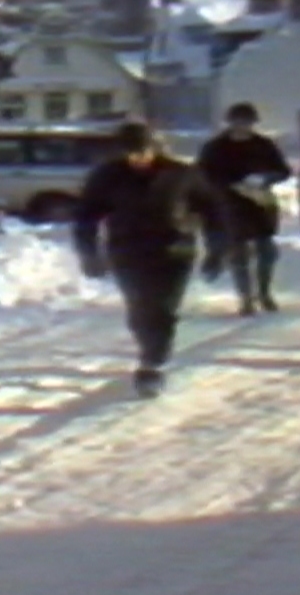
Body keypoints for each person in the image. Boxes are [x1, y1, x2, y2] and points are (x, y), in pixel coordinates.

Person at [74, 121, 229, 398]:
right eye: (131, 153)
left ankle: (152, 365)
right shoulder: (107, 176)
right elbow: (86, 216)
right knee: (139, 308)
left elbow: (213, 211)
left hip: (175, 250)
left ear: (154, 147)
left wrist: (217, 251)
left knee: (163, 308)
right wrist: (88, 253)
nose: (138, 158)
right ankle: (150, 349)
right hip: (127, 249)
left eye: (143, 151)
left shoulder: (181, 173)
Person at [197, 102, 294, 316]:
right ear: (230, 123)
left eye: (247, 123)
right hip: (229, 204)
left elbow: (284, 170)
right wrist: (231, 185)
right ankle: (245, 298)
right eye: (238, 122)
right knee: (238, 252)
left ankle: (264, 293)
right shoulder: (216, 147)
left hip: (260, 202)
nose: (242, 127)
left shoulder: (263, 145)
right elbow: (203, 174)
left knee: (267, 251)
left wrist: (265, 178)